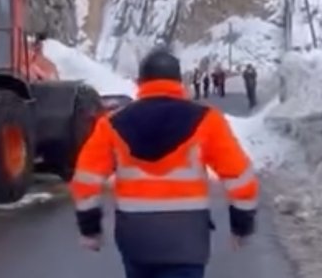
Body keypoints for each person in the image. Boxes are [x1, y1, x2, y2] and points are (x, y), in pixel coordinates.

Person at [69, 48, 259, 278]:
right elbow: (239, 175)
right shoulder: (208, 121)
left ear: (141, 82)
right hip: (187, 240)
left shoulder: (111, 124)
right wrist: (242, 225)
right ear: (179, 81)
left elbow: (85, 179)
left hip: (136, 240)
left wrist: (90, 229)